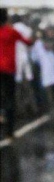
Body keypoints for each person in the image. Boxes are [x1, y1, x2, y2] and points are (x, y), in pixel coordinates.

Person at [0, 8, 33, 140]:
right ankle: (9, 132)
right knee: (10, 100)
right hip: (9, 69)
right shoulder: (12, 32)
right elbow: (28, 42)